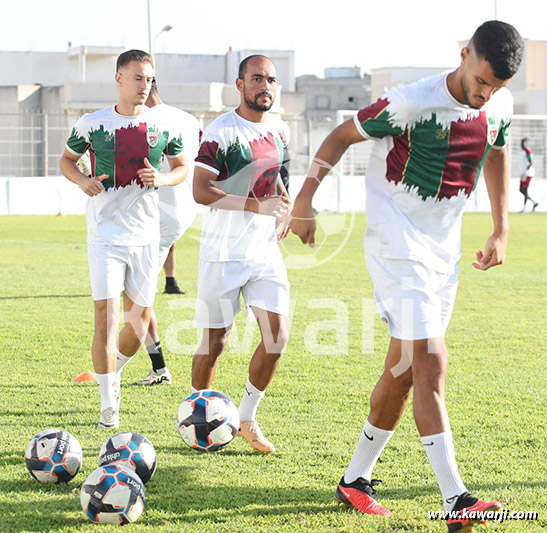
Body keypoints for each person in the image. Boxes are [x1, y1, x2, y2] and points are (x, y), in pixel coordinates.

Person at [290, 21, 523, 533]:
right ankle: (456, 500)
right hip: (396, 243)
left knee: (401, 369)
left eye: (497, 87)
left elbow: (498, 150)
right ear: (464, 55)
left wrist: (501, 227)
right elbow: (339, 136)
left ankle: (355, 480)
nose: (486, 95)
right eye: (482, 81)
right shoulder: (411, 103)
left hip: (444, 251)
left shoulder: (498, 106)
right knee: (431, 361)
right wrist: (305, 198)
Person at [60, 50, 188, 428]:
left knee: (139, 323)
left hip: (147, 237)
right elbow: (67, 160)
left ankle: (116, 374)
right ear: (118, 78)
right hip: (105, 236)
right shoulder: (92, 124)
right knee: (107, 319)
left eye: (149, 79)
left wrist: (162, 179)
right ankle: (108, 408)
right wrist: (82, 180)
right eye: (137, 78)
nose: (144, 85)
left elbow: (181, 168)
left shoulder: (162, 125)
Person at [192, 54, 291, 453]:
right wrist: (255, 206)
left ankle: (246, 418)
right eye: (256, 79)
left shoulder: (281, 129)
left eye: (270, 79)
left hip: (264, 251)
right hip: (223, 253)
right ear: (240, 84)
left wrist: (287, 208)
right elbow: (201, 190)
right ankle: (197, 421)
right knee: (215, 342)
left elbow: (279, 176)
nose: (264, 86)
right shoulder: (221, 131)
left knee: (277, 335)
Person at [137, 79, 201, 387]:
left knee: (136, 298)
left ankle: (124, 369)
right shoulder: (187, 119)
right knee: (136, 296)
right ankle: (156, 368)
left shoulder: (144, 120)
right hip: (183, 212)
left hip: (155, 217)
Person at [519, 138, 539, 212]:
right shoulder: (522, 152)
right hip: (524, 173)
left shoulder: (527, 151)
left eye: (523, 143)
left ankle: (525, 208)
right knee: (521, 189)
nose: (522, 144)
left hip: (528, 173)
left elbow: (530, 162)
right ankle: (534, 202)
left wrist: (526, 172)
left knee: (525, 190)